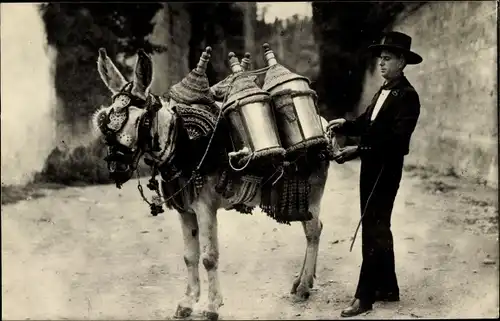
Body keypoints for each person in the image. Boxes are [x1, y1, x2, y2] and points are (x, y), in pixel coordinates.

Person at [327, 31, 423, 317]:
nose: (381, 63)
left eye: (388, 58)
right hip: (370, 168)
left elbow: (396, 142)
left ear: (402, 62)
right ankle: (388, 288)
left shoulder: (407, 96)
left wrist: (355, 151)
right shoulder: (382, 90)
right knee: (378, 226)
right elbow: (366, 124)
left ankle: (364, 297)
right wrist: (344, 124)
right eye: (380, 58)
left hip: (386, 171)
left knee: (373, 229)